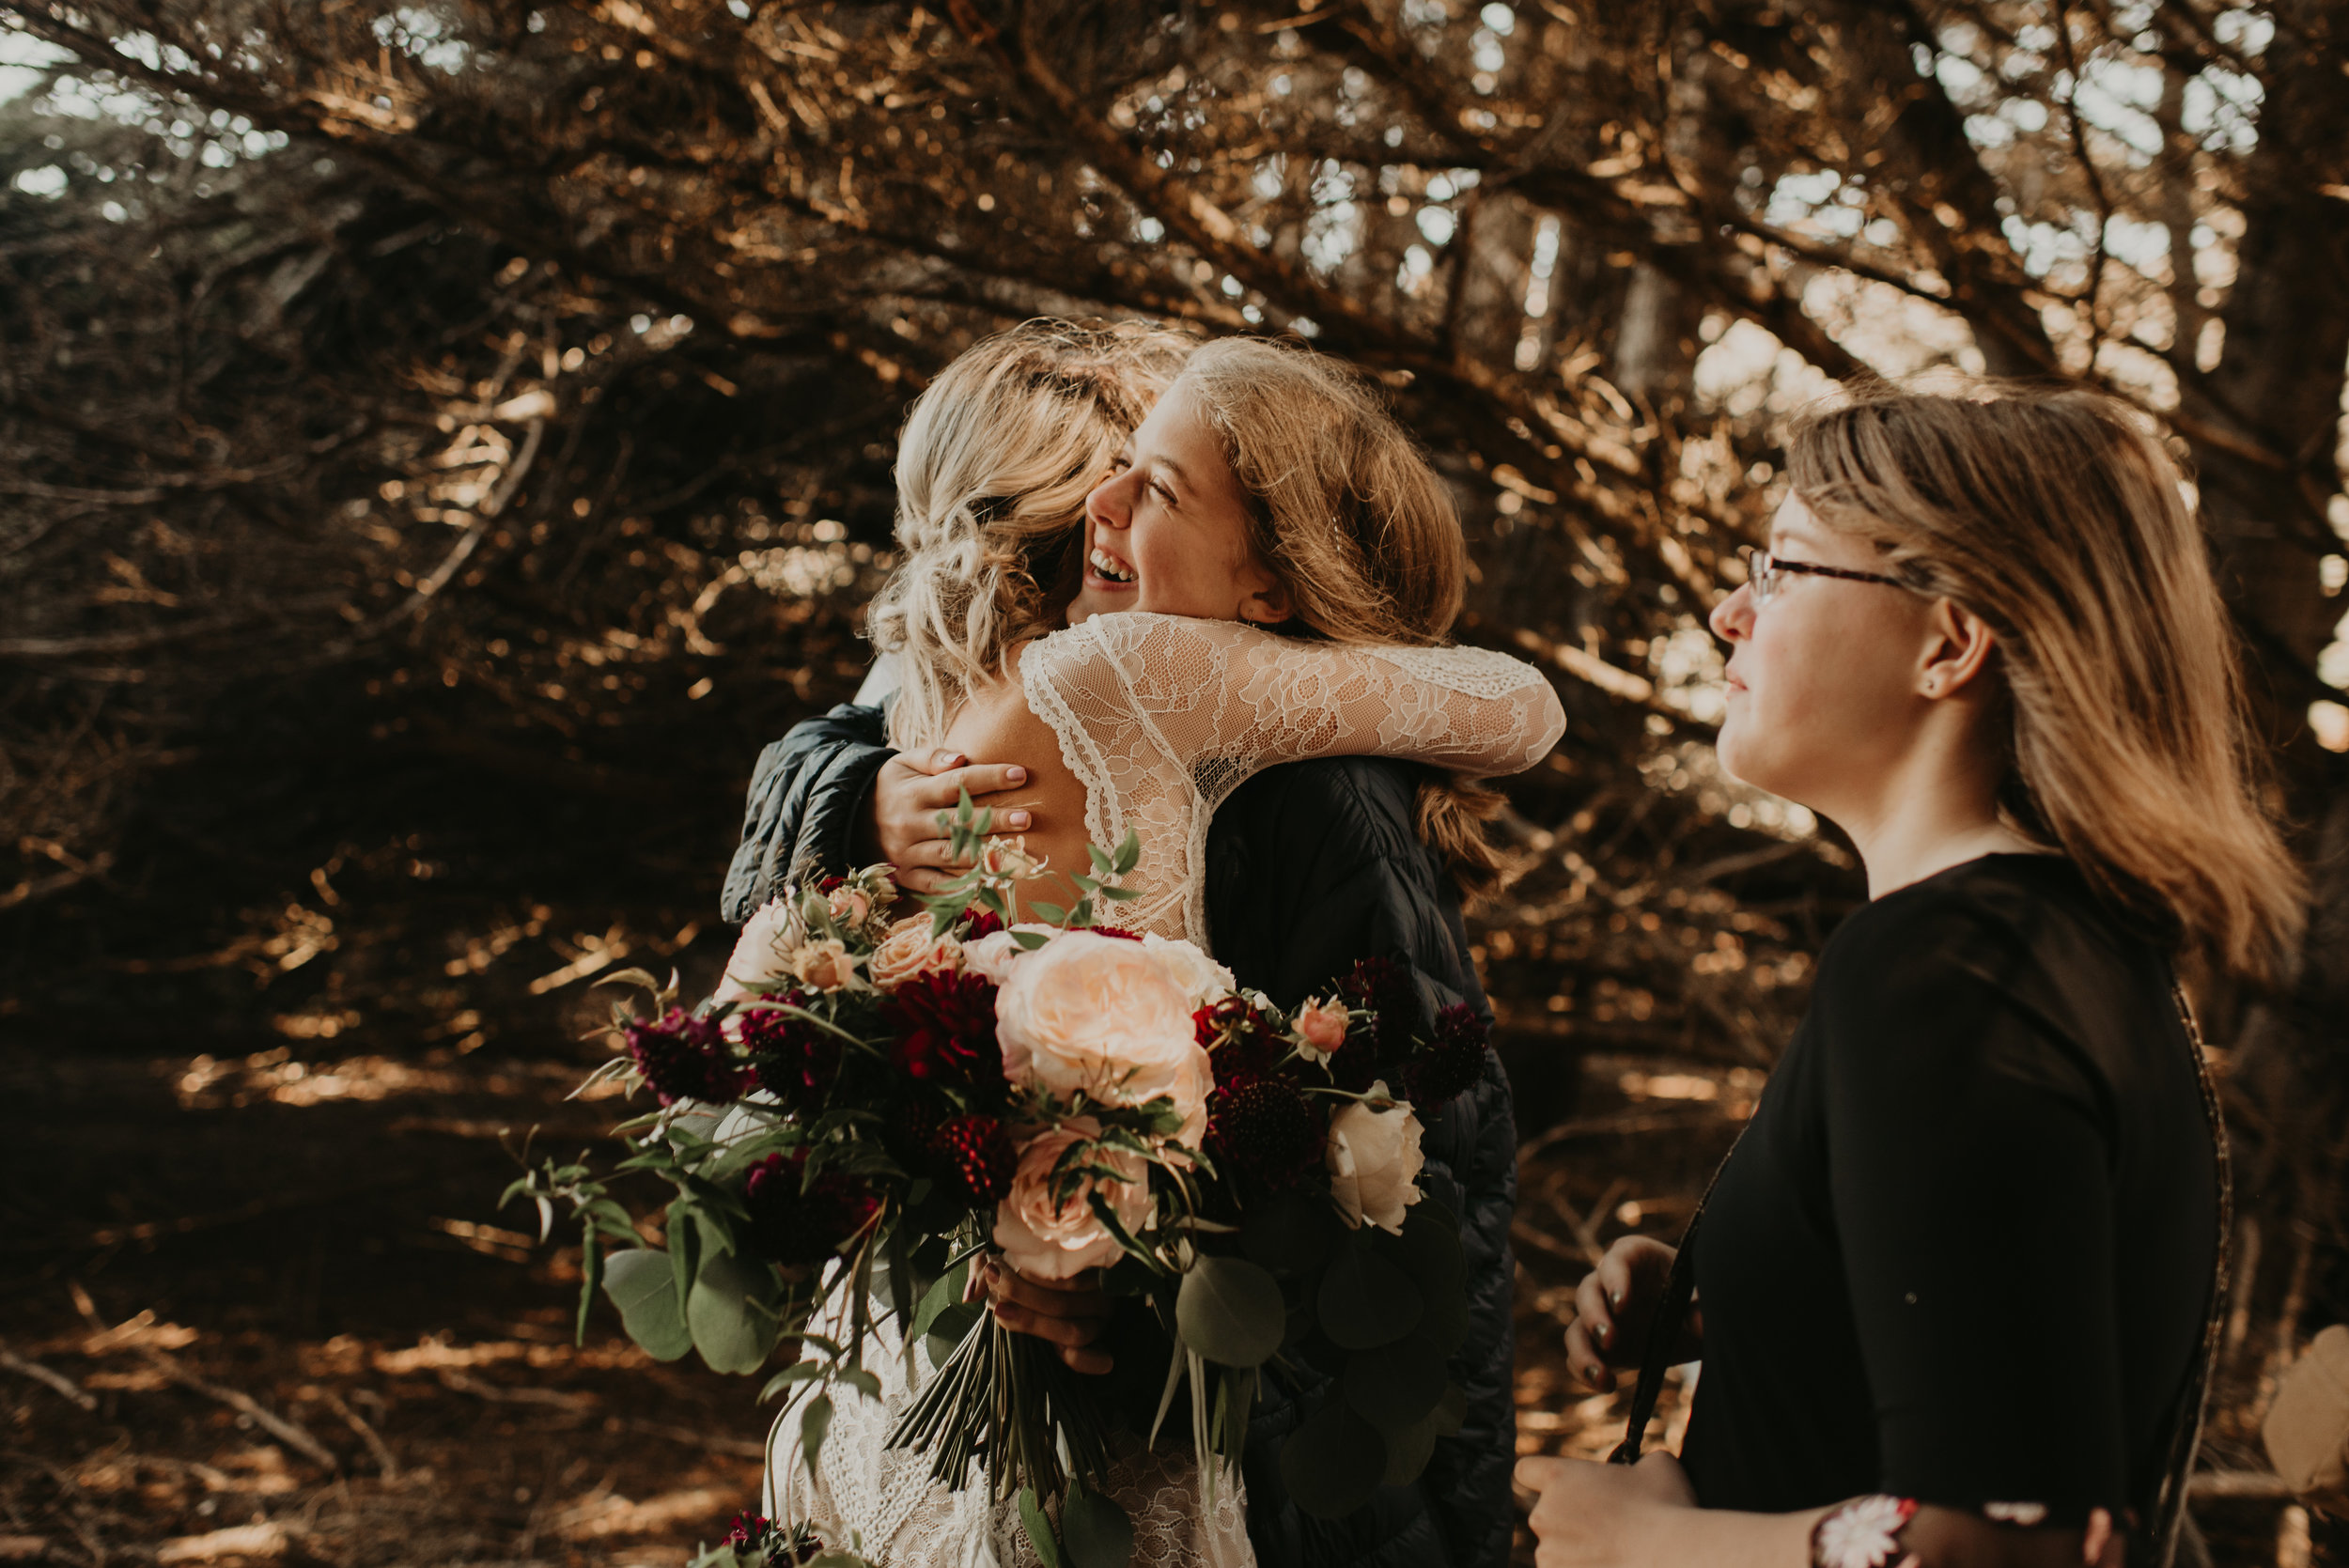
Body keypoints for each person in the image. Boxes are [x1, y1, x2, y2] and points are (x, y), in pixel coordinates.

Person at [724, 323, 1563, 1568]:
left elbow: (1434, 1181)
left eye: (1153, 483)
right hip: (963, 1387)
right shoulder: (952, 704)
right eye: (1094, 491)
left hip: (1127, 1416)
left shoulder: (1252, 743)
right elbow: (1522, 706)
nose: (1106, 518)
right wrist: (855, 799)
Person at [1517, 381, 2305, 1568]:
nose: (1732, 611)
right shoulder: (2072, 953)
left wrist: (1656, 1544)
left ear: (1946, 642)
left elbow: (2012, 1540)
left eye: (1783, 567)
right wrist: (1756, 1292)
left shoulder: (1951, 972)